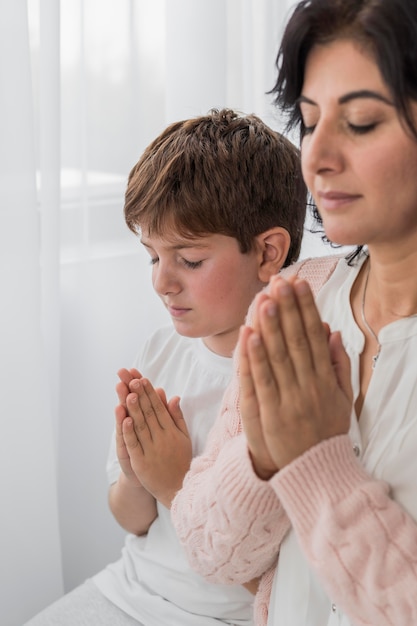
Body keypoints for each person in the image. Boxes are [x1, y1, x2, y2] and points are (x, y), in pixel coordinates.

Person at [171, 2, 417, 625]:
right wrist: (263, 453)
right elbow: (211, 551)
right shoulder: (297, 295)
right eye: (310, 122)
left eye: (360, 121)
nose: (319, 155)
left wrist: (314, 459)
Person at [24, 108, 307, 626]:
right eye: (152, 257)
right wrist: (138, 477)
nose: (161, 282)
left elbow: (288, 570)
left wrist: (177, 480)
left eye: (189, 260)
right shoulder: (161, 352)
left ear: (268, 252)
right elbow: (132, 521)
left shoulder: (295, 381)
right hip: (128, 589)